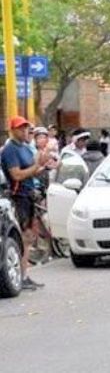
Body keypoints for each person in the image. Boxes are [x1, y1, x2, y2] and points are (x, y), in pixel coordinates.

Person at [1, 116, 50, 290]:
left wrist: (42, 165)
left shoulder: (25, 148)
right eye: (20, 128)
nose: (24, 131)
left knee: (28, 237)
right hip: (18, 196)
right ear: (12, 130)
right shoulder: (10, 150)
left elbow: (31, 171)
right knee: (23, 237)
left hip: (28, 195)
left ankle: (24, 275)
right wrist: (36, 166)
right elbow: (16, 175)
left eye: (26, 128)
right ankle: (20, 276)